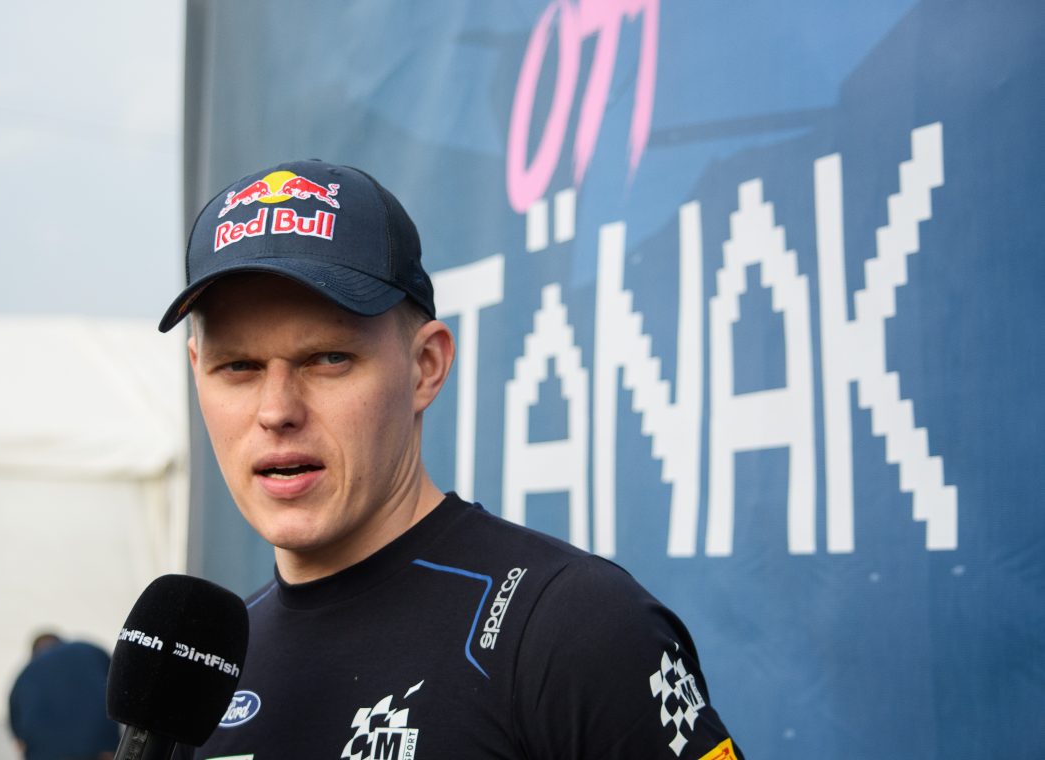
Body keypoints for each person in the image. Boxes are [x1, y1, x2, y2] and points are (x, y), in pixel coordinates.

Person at [162, 159, 744, 759]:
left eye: (328, 359)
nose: (277, 410)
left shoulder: (574, 626)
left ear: (426, 367)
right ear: (196, 372)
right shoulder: (199, 677)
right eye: (239, 367)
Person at [8, 632, 120, 760]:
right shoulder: (90, 650)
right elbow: (119, 689)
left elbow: (19, 738)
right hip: (100, 749)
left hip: (45, 753)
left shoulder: (25, 675)